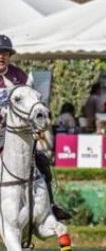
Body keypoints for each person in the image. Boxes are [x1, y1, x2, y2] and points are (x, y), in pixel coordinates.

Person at [0, 34, 69, 221]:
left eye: (5, 53)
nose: (1, 56)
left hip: (17, 133)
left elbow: (30, 102)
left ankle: (51, 205)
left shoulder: (18, 75)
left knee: (42, 160)